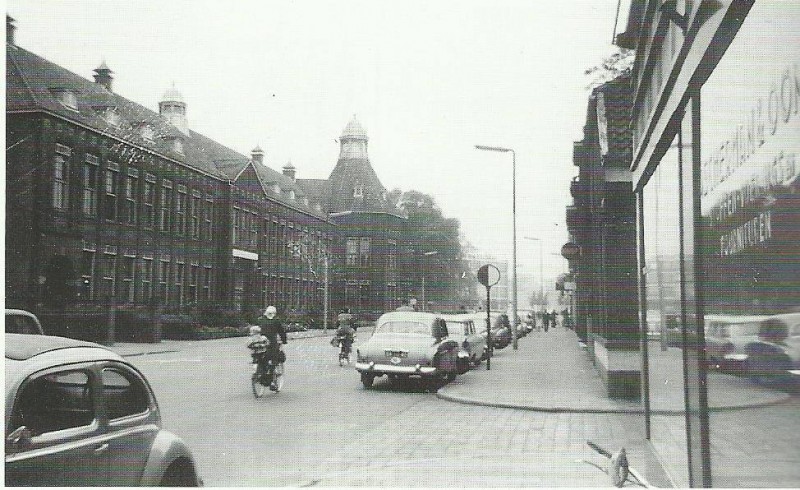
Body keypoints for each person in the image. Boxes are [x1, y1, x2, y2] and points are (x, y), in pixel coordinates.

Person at [257, 306, 287, 388]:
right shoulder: (276, 321)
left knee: (262, 358)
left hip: (260, 343)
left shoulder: (261, 319)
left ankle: (260, 372)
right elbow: (281, 332)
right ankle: (272, 382)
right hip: (271, 344)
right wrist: (284, 340)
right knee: (274, 358)